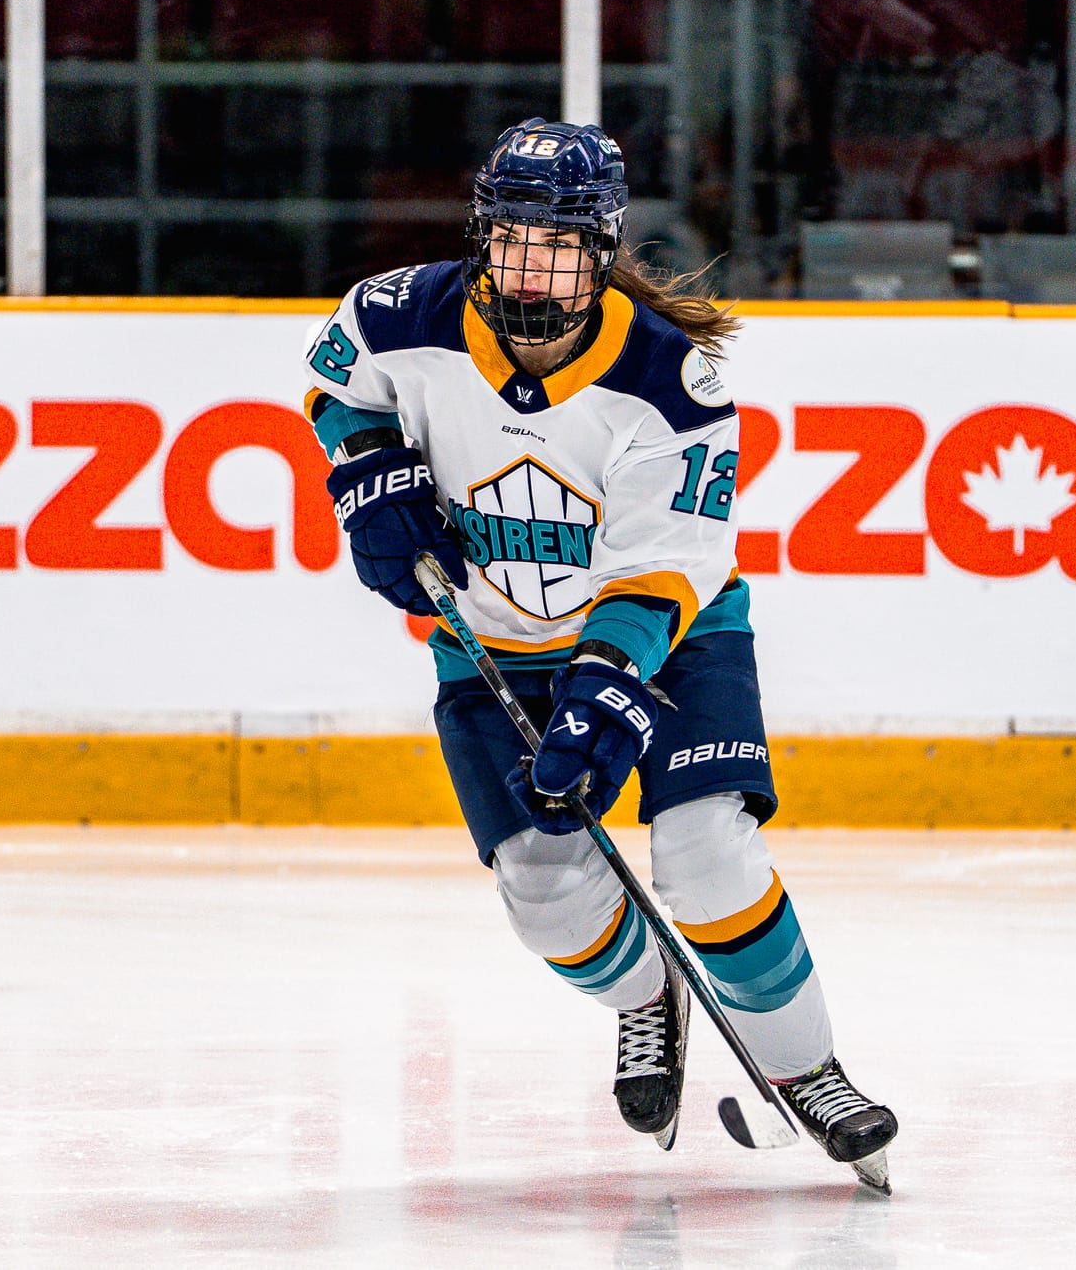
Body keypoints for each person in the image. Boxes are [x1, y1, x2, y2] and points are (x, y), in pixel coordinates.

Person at [303, 118, 898, 1183]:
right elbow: (337, 389)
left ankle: (804, 1064)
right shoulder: (399, 314)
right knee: (542, 889)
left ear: (604, 248)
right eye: (512, 238)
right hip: (487, 637)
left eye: (558, 243)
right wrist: (367, 474)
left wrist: (606, 679)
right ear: (482, 236)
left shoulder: (676, 381)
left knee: (707, 856)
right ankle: (645, 997)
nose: (531, 264)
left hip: (666, 637)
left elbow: (664, 563)